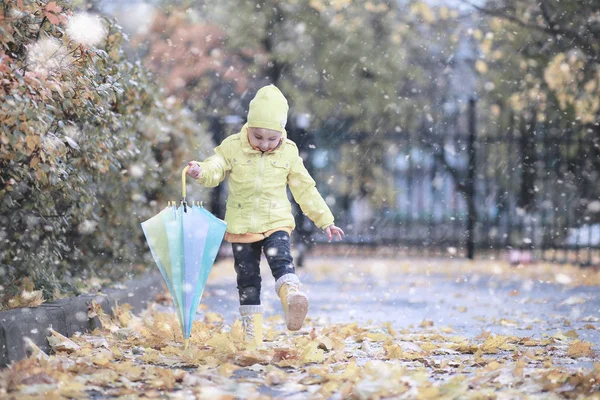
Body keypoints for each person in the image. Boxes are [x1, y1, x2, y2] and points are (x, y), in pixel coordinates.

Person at [186, 85, 344, 347]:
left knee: (281, 260)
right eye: (258, 137)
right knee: (247, 280)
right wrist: (201, 171)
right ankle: (253, 335)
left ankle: (293, 298)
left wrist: (325, 219)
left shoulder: (289, 152)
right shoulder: (233, 146)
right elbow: (216, 166)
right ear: (248, 127)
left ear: (282, 133)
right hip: (242, 225)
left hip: (276, 222)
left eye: (272, 139)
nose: (264, 144)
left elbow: (305, 188)